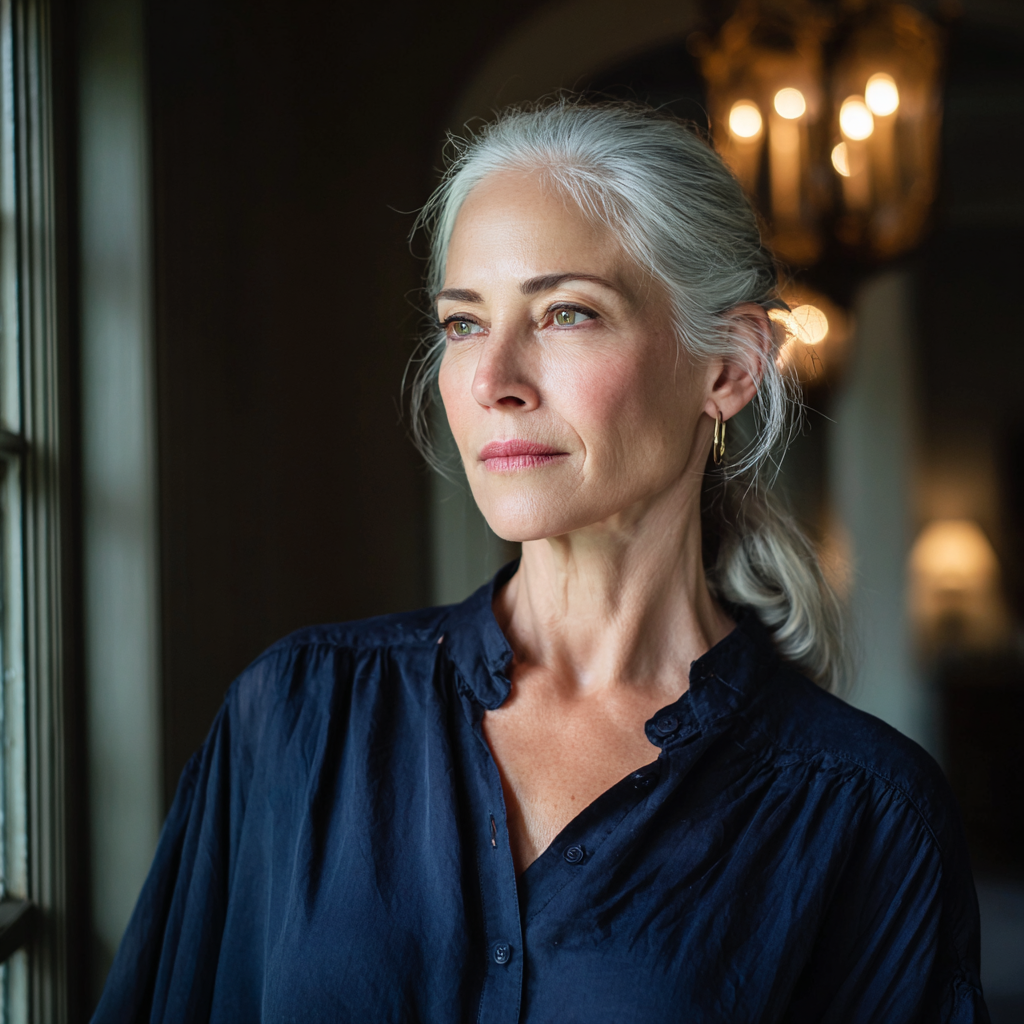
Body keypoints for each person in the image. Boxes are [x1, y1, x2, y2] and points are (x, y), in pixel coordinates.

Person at [93, 100, 988, 1023]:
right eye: (463, 323)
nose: (492, 381)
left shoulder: (865, 811)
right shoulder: (296, 714)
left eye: (566, 313)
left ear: (729, 366)